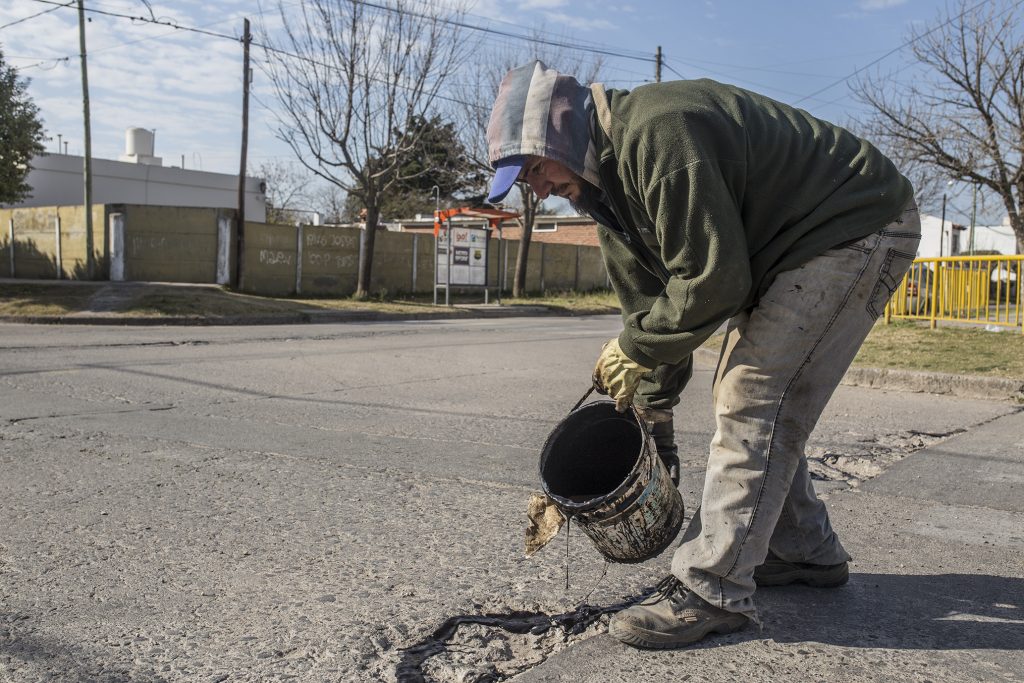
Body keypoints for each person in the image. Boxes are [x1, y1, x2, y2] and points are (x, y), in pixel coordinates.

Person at [485, 61, 921, 649]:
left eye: (534, 168)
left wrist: (636, 348)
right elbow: (653, 304)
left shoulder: (659, 136)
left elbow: (712, 281)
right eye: (522, 179)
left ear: (564, 135)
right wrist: (654, 417)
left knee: (756, 393)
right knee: (747, 394)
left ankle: (712, 590)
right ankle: (801, 549)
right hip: (788, 245)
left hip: (853, 225)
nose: (533, 188)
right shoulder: (603, 190)